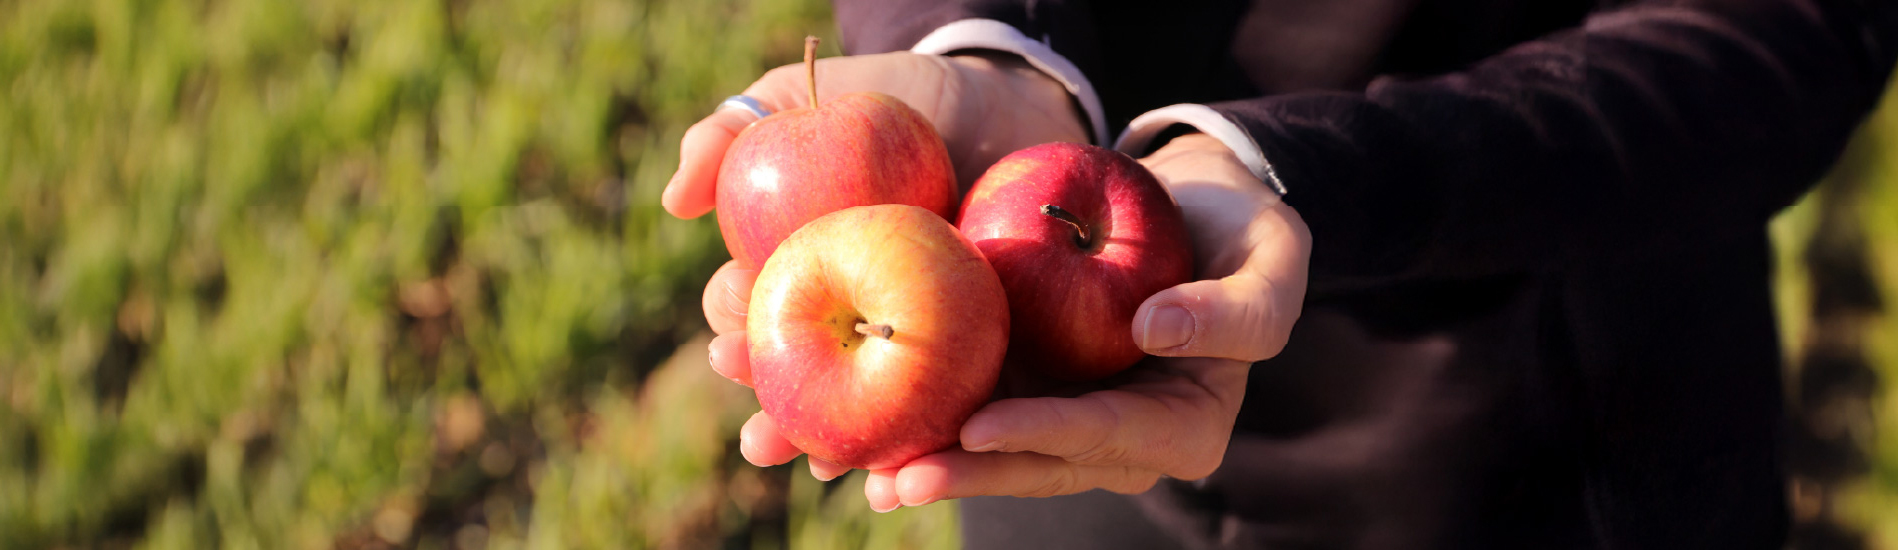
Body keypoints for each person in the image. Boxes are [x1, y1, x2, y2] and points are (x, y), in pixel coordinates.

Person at [663, 0, 1898, 547]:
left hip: (1517, 426)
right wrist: (985, 44)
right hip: (1026, 382)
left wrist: (1301, 164)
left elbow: (1779, 26)